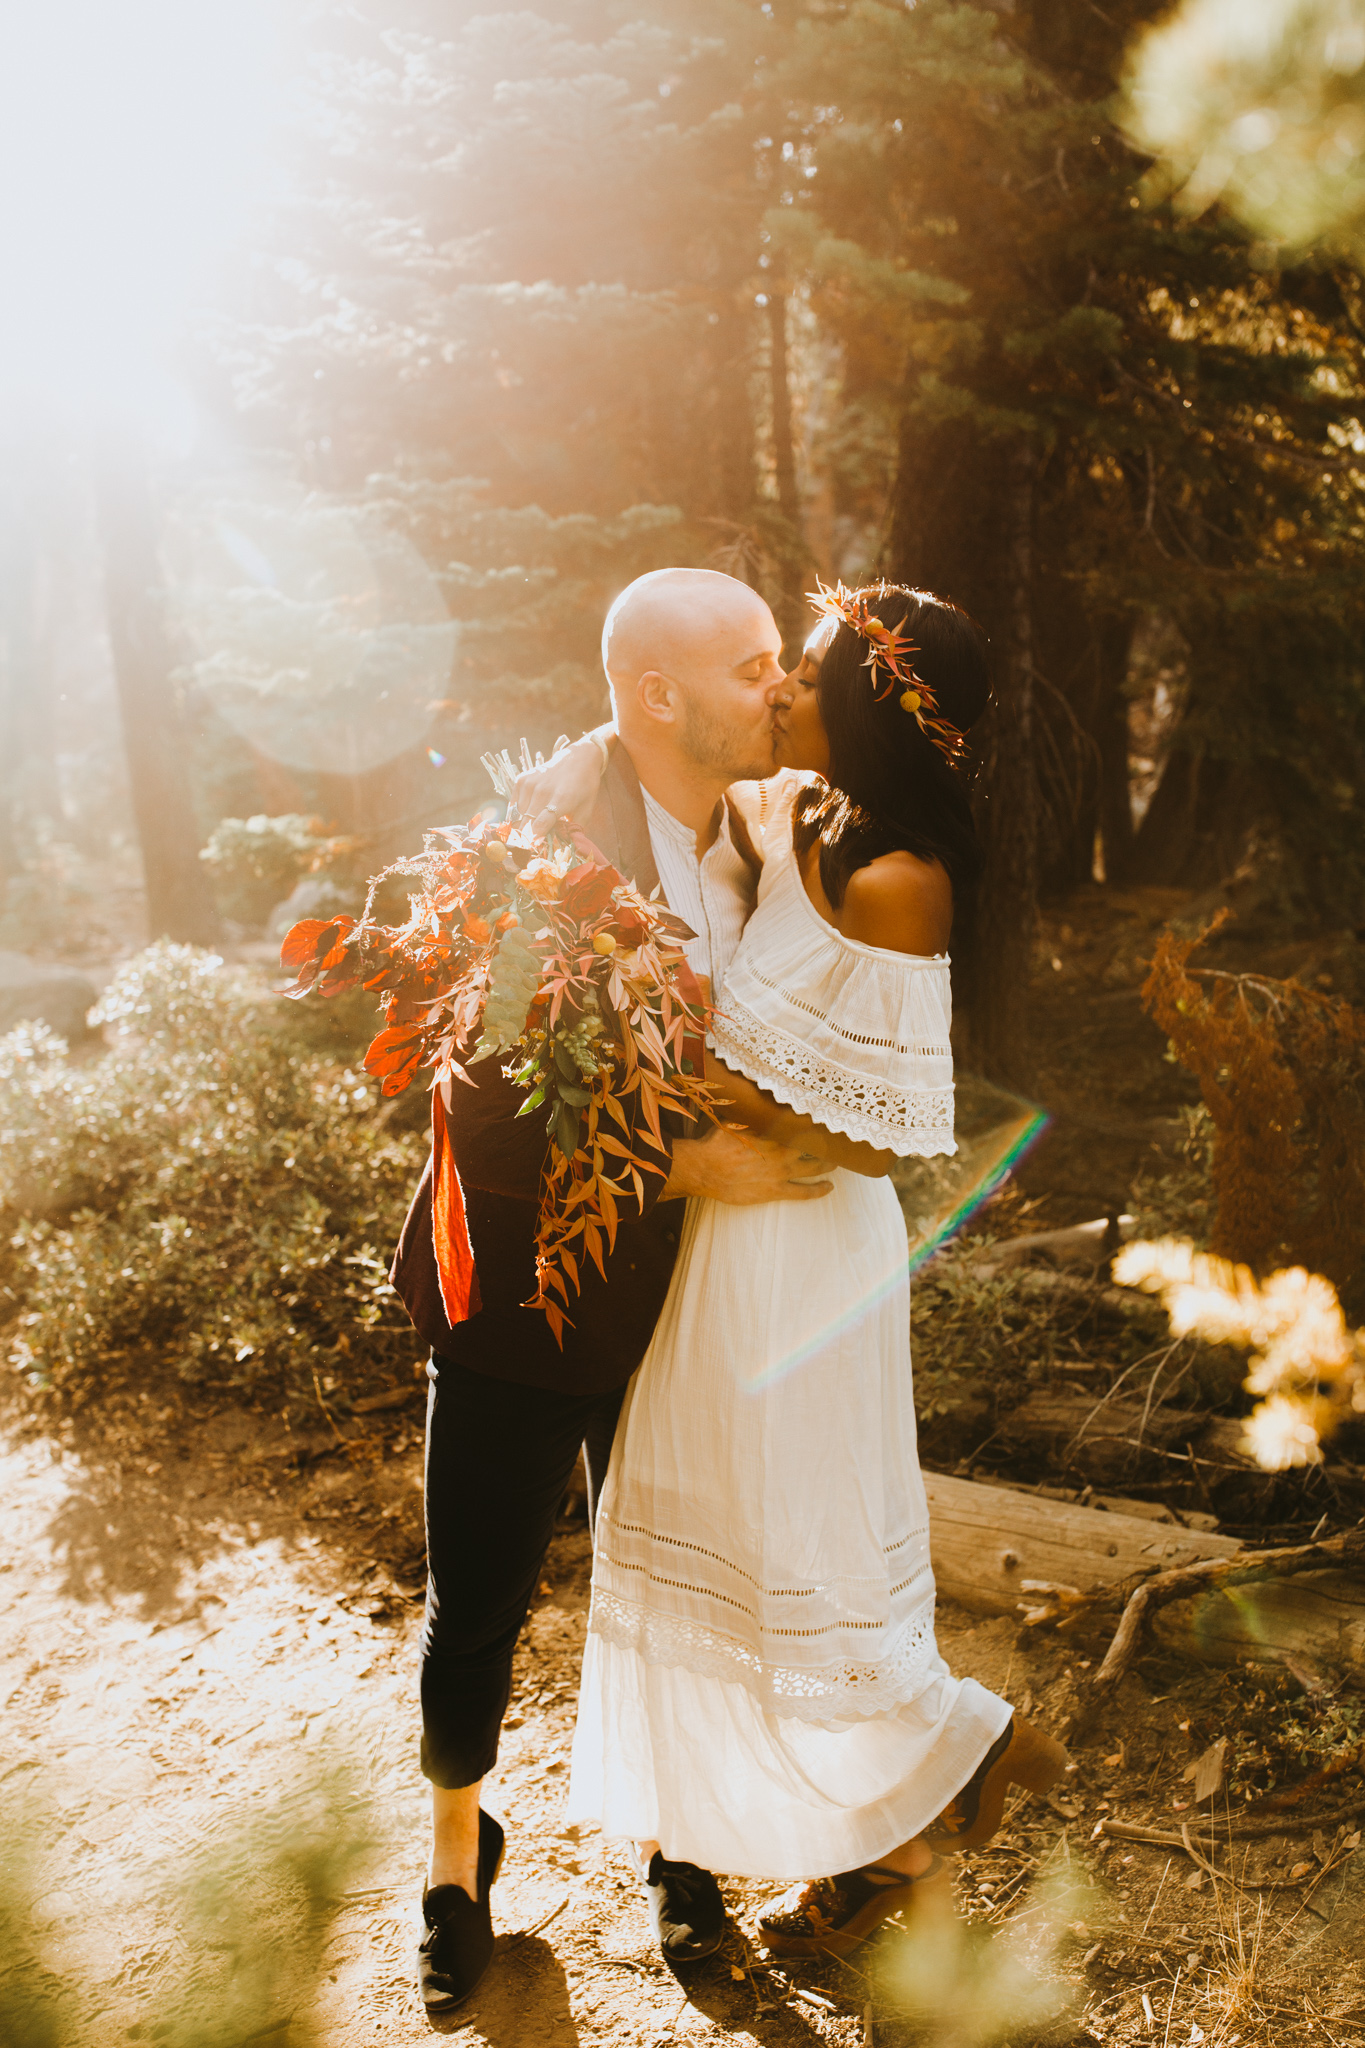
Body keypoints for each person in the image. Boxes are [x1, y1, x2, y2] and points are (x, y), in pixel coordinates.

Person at [517, 581, 1069, 1958]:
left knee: (806, 1545)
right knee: (731, 1548)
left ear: (870, 709)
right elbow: (647, 804)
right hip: (716, 1242)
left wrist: (689, 1097)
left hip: (803, 1251)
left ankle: (957, 1769)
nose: (778, 692)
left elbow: (875, 1134)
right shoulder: (786, 819)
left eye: (803, 675)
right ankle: (859, 1852)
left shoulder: (898, 882)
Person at [390, 567, 837, 2011]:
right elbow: (486, 1110)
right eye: (752, 662)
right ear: (655, 693)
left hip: (696, 1311)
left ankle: (682, 1840)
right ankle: (457, 1865)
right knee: (482, 1600)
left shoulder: (767, 838)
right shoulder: (530, 852)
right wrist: (683, 1166)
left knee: (674, 1589)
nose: (780, 685)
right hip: (525, 1299)